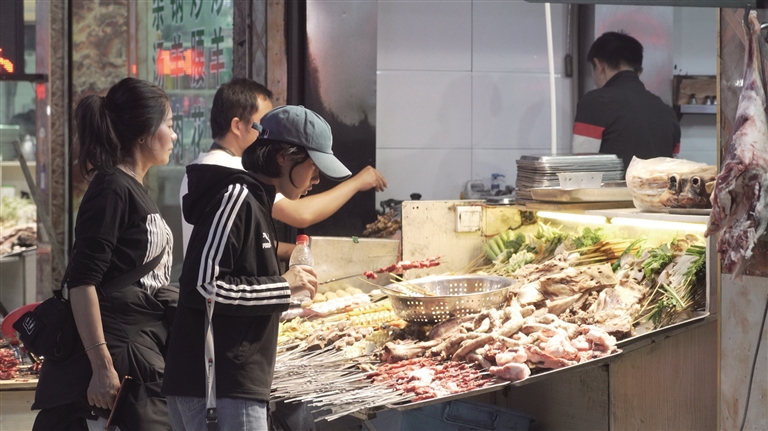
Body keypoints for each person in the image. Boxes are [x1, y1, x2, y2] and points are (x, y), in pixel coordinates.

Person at [162, 105, 351, 430]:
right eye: (313, 166)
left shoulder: (256, 202)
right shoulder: (236, 198)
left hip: (229, 383)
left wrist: (285, 298)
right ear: (283, 158)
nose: (317, 179)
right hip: (219, 384)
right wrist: (283, 286)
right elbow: (203, 287)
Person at [32, 77, 177, 431]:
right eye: (169, 125)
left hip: (138, 348)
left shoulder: (132, 186)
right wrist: (101, 366)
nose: (174, 136)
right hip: (117, 354)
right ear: (143, 133)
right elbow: (82, 282)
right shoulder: (112, 187)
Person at [179, 78, 387, 260]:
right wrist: (356, 183)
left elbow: (246, 243)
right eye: (261, 125)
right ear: (237, 125)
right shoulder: (231, 173)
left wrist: (301, 257)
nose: (268, 133)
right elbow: (300, 213)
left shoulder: (208, 166)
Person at [571, 31, 681, 169]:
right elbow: (675, 166)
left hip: (613, 184)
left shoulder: (594, 103)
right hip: (659, 183)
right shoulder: (667, 112)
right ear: (639, 71)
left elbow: (582, 166)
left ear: (599, 66)